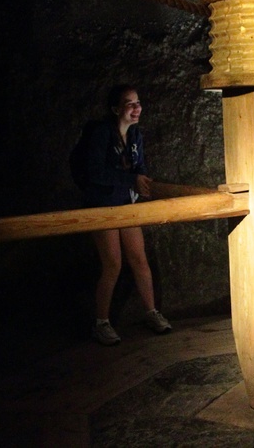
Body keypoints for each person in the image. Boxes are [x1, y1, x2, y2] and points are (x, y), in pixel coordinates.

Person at [84, 84, 171, 346]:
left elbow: (139, 166)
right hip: (103, 205)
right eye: (130, 103)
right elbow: (96, 172)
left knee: (138, 258)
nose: (137, 108)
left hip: (126, 202)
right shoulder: (100, 134)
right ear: (115, 109)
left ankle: (151, 312)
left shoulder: (135, 136)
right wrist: (131, 179)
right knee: (113, 264)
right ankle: (101, 323)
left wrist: (142, 182)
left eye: (138, 102)